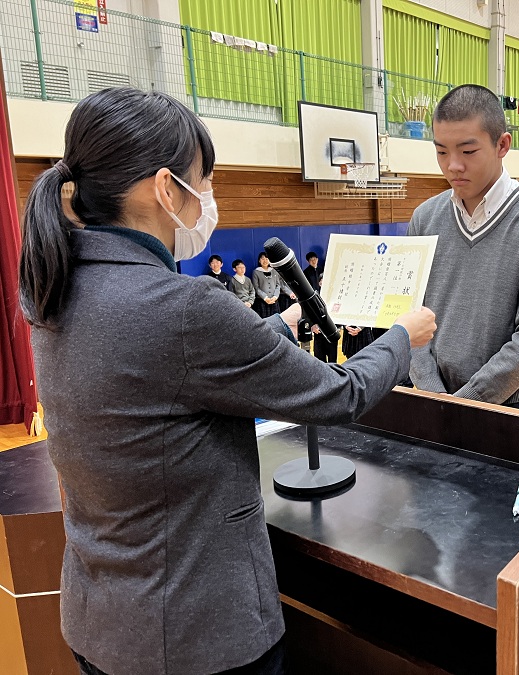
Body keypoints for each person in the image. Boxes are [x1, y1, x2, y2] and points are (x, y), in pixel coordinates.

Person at [16, 87, 437, 675]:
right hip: (195, 633)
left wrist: (281, 324)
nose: (208, 197)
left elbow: (162, 372)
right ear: (166, 189)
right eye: (204, 181)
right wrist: (401, 336)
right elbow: (341, 393)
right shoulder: (185, 308)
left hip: (102, 619)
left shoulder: (55, 286)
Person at [407, 85, 519, 411]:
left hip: (509, 408)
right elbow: (409, 313)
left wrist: (465, 405)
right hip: (433, 400)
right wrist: (433, 393)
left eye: (468, 151)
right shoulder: (424, 218)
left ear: (502, 145)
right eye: (441, 152)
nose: (453, 165)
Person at [253, 251, 287, 318]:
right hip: (262, 301)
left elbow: (278, 285)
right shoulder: (256, 272)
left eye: (266, 259)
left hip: (274, 300)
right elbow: (256, 287)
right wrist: (265, 298)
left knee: (276, 319)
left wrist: (275, 297)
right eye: (262, 259)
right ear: (259, 261)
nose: (265, 261)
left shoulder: (274, 271)